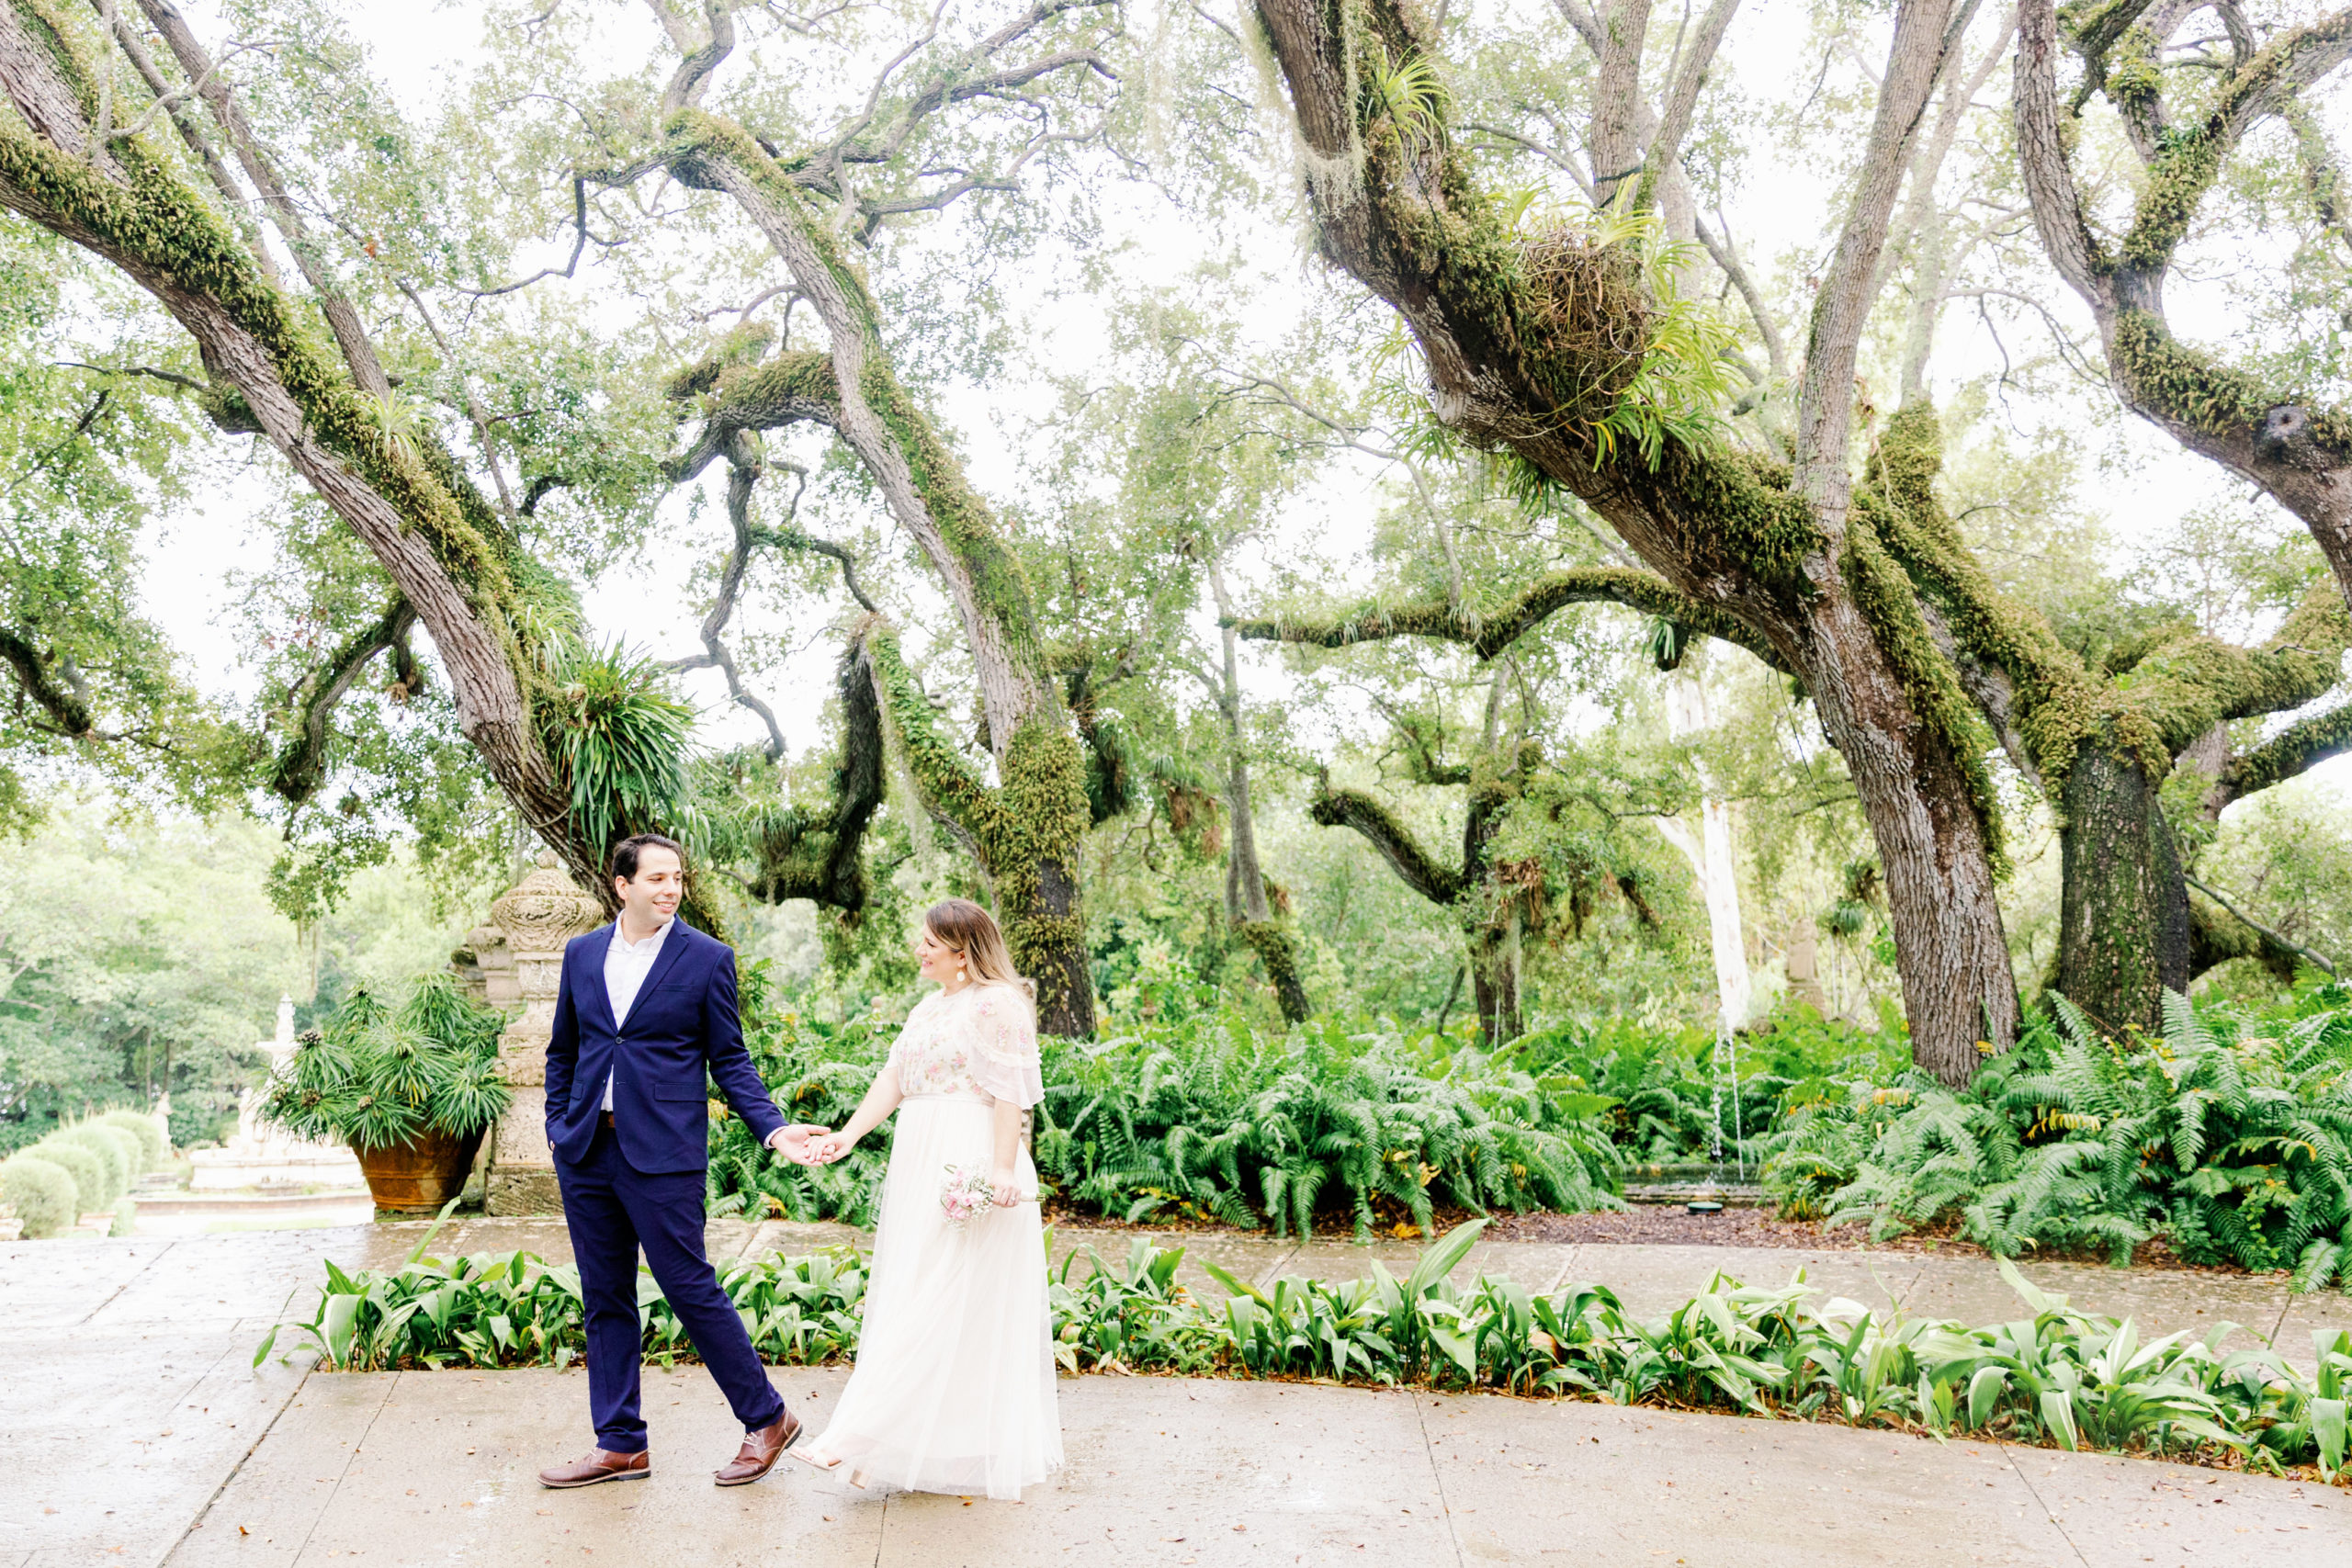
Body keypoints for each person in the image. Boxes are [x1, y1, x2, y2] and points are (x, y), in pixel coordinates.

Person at [536, 833, 823, 1490]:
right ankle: (620, 1444)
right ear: (622, 884)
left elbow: (731, 1061)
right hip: (585, 1150)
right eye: (657, 878)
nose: (670, 888)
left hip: (663, 1153)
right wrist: (557, 1125)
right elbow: (564, 1048)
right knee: (604, 1296)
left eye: (677, 878)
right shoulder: (582, 954)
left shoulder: (706, 958)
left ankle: (768, 1417)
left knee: (690, 1286)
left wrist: (773, 1130)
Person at [783, 897, 1063, 1500]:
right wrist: (848, 1134)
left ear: (963, 950)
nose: (920, 949)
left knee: (942, 1293)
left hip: (969, 1156)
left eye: (930, 942)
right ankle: (923, 1441)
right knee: (919, 1290)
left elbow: (1011, 1092)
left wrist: (1002, 1168)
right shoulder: (928, 1006)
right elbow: (894, 1079)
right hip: (918, 1157)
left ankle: (857, 1430)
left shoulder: (999, 1004)